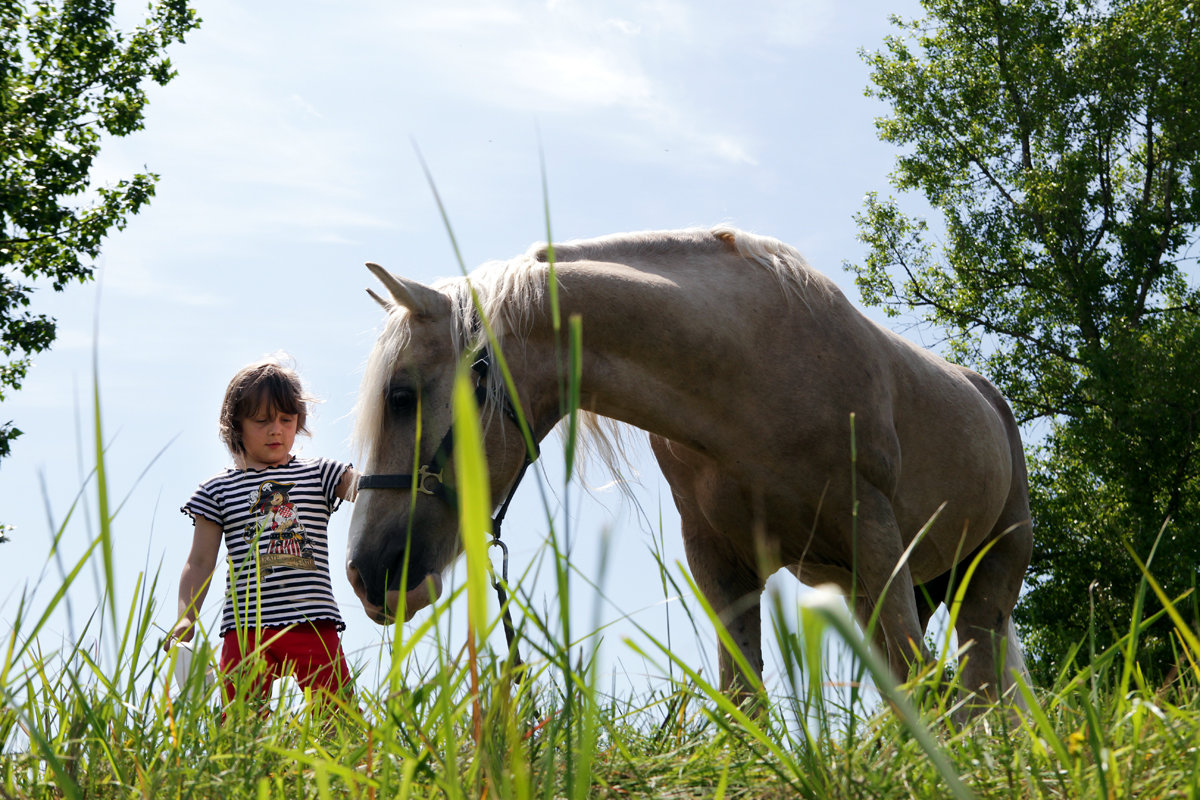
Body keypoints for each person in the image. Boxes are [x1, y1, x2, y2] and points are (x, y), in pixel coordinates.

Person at [164, 357, 357, 711]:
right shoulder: (217, 491)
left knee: (338, 720)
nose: (276, 430)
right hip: (247, 628)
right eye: (262, 421)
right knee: (239, 727)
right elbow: (200, 560)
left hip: (313, 620)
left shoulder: (320, 474)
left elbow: (374, 490)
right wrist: (186, 615)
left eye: (286, 419)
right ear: (235, 425)